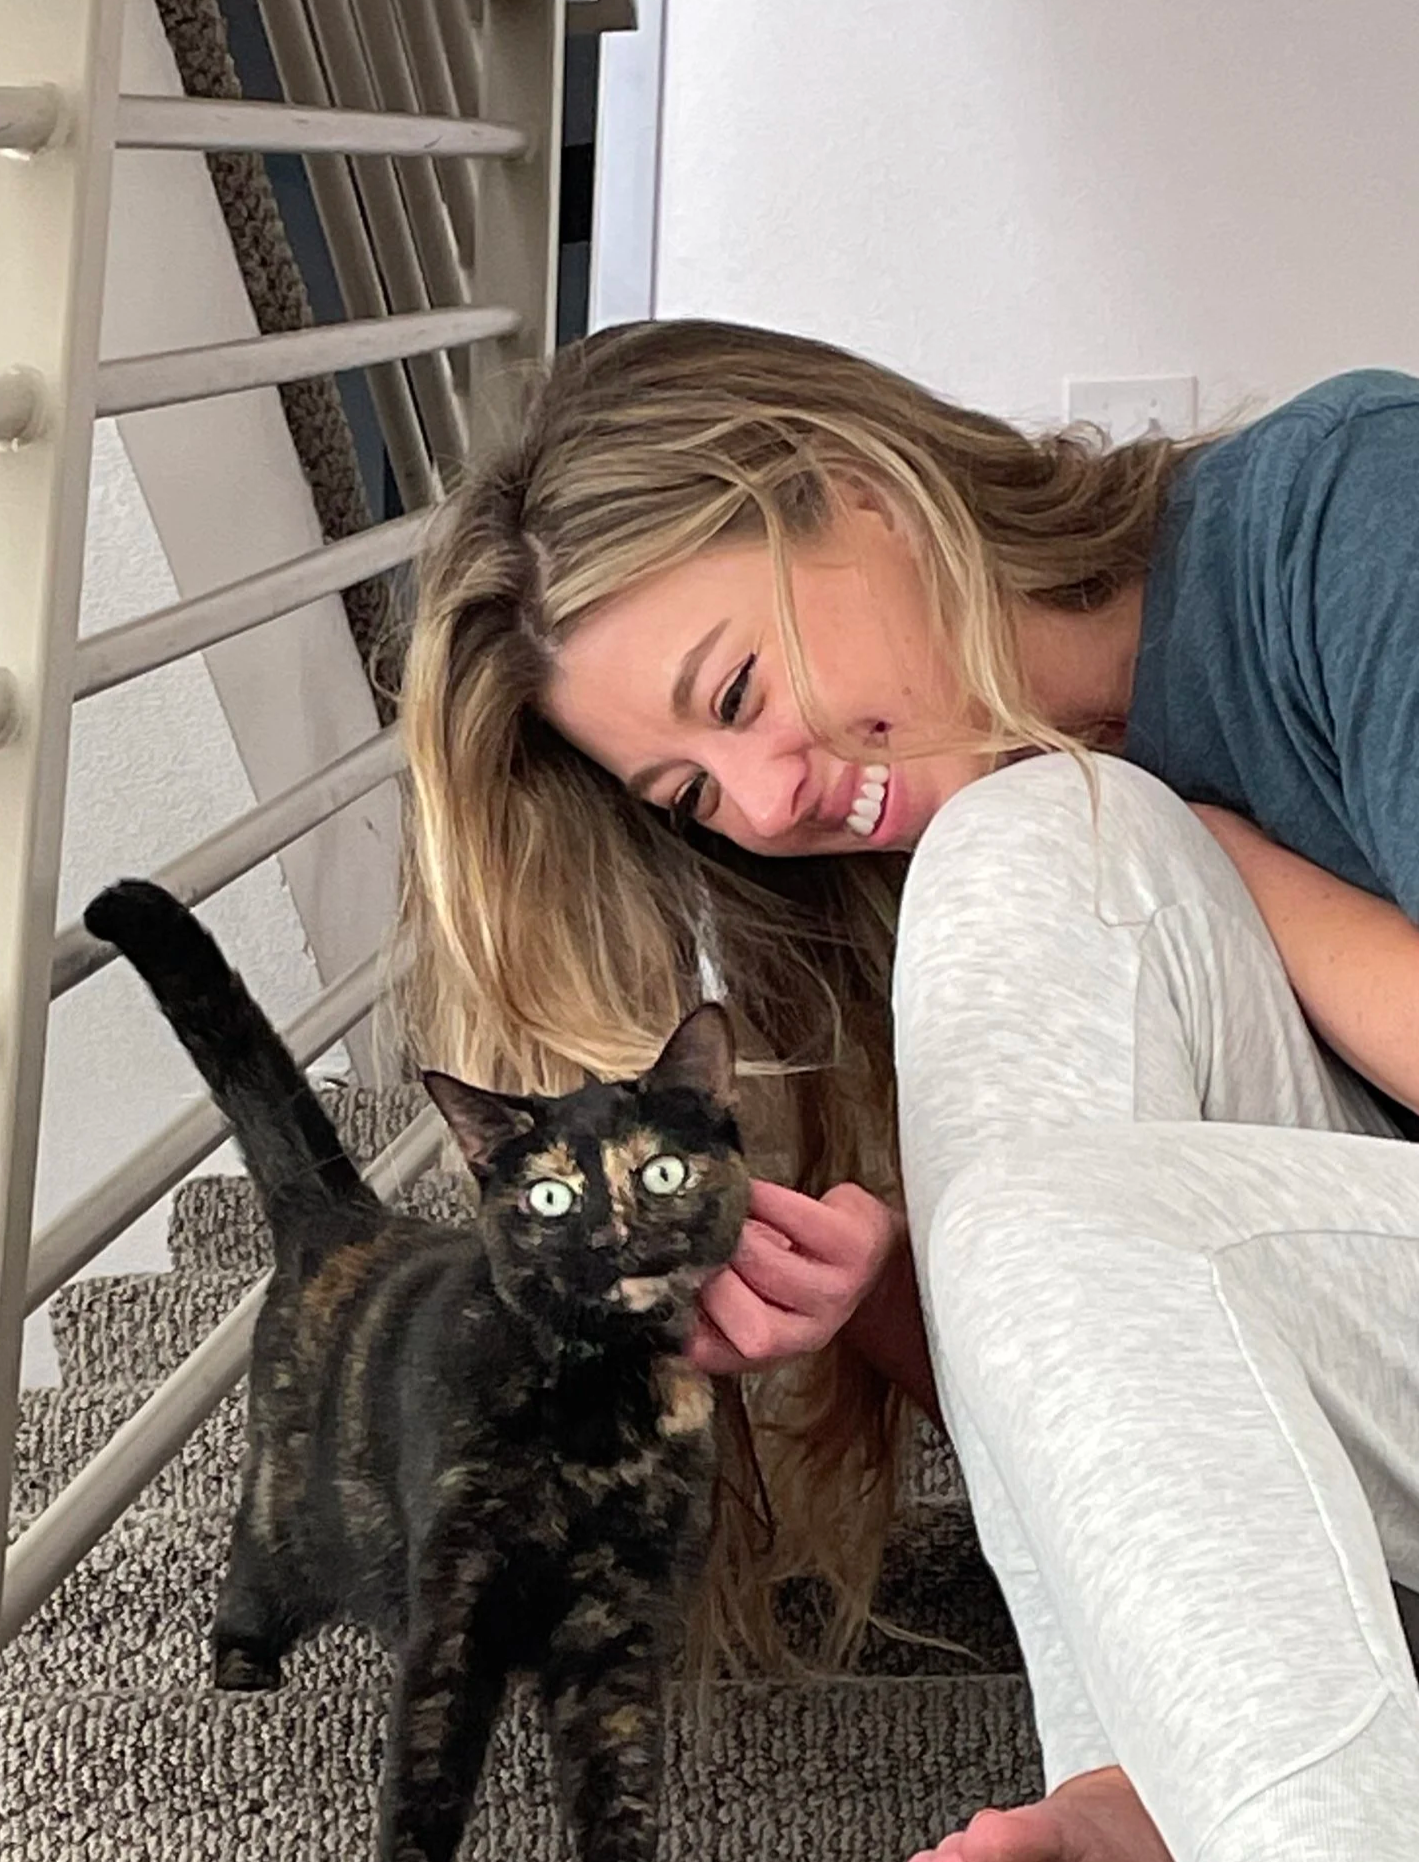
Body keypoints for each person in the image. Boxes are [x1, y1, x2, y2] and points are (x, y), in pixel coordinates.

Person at [393, 318, 1419, 1862]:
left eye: (733, 695)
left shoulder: (1348, 510)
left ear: (857, 485)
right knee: (1027, 852)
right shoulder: (995, 860)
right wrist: (878, 1293)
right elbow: (1140, 1422)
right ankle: (1154, 1795)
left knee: (1058, 842)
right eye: (692, 796)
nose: (765, 803)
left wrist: (1241, 868)